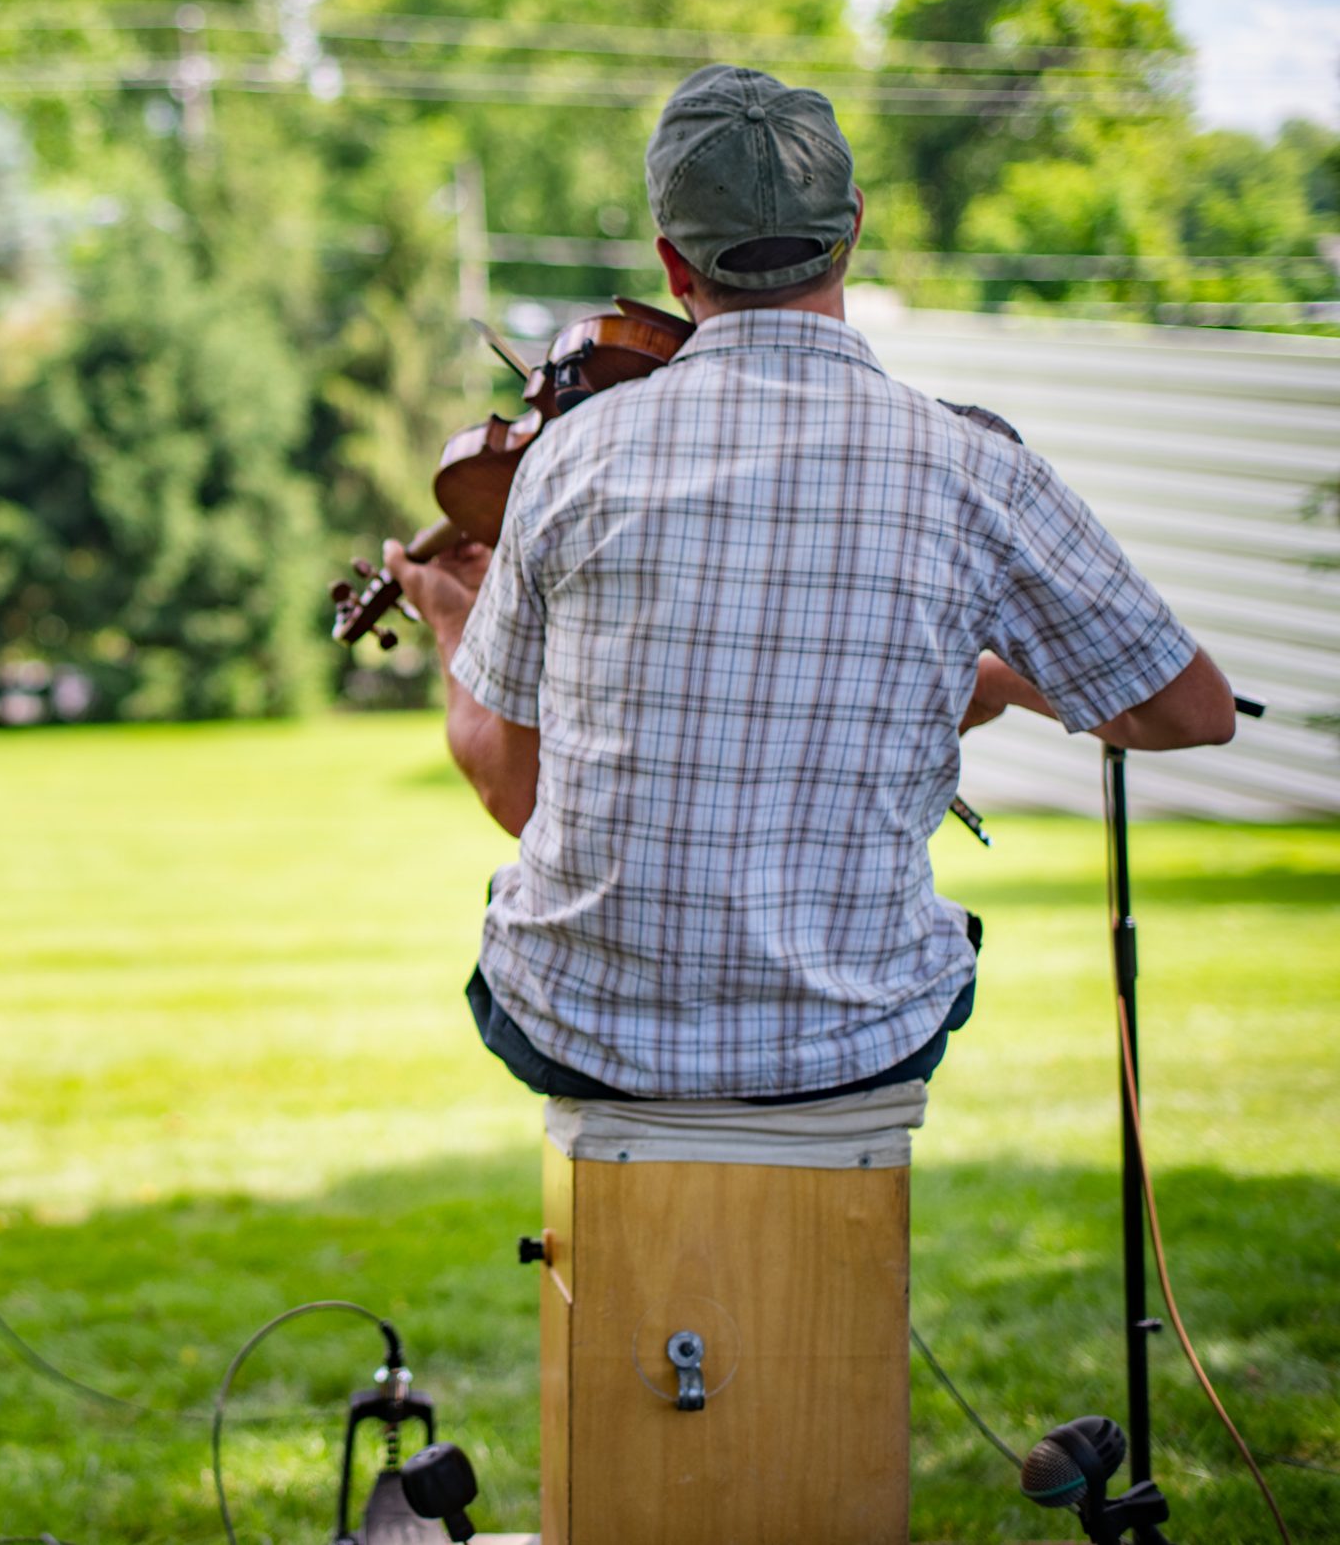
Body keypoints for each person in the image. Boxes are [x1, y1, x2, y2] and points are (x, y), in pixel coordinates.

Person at [387, 65, 1236, 1105]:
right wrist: (1001, 679)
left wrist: (449, 620)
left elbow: (510, 788)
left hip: (584, 1033)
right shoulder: (974, 467)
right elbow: (1194, 712)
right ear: (854, 228)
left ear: (669, 261)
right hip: (853, 1044)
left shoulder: (573, 455)